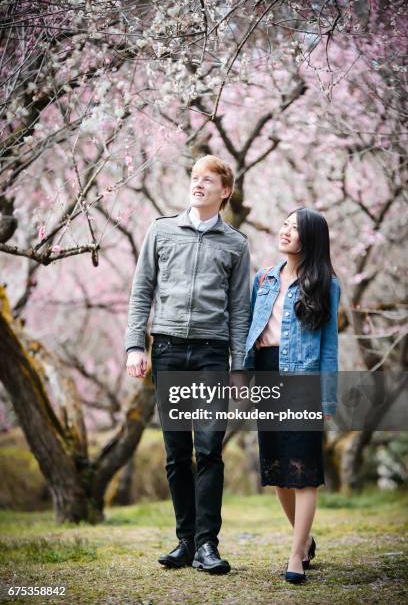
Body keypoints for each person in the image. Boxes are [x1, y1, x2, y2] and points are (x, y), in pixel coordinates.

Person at [125, 155, 250, 574]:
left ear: (225, 191)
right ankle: (185, 541)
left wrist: (238, 367)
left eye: (208, 179)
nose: (198, 184)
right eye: (195, 177)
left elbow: (239, 310)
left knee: (209, 448)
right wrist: (134, 346)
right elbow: (141, 290)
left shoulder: (236, 244)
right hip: (169, 350)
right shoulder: (161, 230)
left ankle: (207, 545)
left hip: (213, 354)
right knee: (177, 452)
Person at [244, 207, 340, 584]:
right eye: (284, 224)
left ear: (311, 239)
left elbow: (329, 346)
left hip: (303, 380)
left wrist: (327, 398)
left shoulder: (326, 284)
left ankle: (295, 555)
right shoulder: (264, 278)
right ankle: (307, 540)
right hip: (266, 373)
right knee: (278, 472)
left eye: (295, 228)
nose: (285, 231)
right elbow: (252, 329)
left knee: (304, 473)